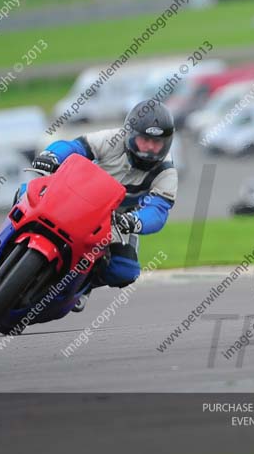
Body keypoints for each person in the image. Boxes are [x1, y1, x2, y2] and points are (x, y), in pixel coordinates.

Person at [27, 100, 178, 311]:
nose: (151, 148)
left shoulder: (166, 172)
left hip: (118, 219)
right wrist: (51, 156)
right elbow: (75, 147)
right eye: (145, 140)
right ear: (130, 134)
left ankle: (83, 285)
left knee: (125, 271)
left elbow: (158, 211)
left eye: (157, 142)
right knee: (28, 190)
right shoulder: (112, 140)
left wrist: (135, 221)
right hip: (78, 198)